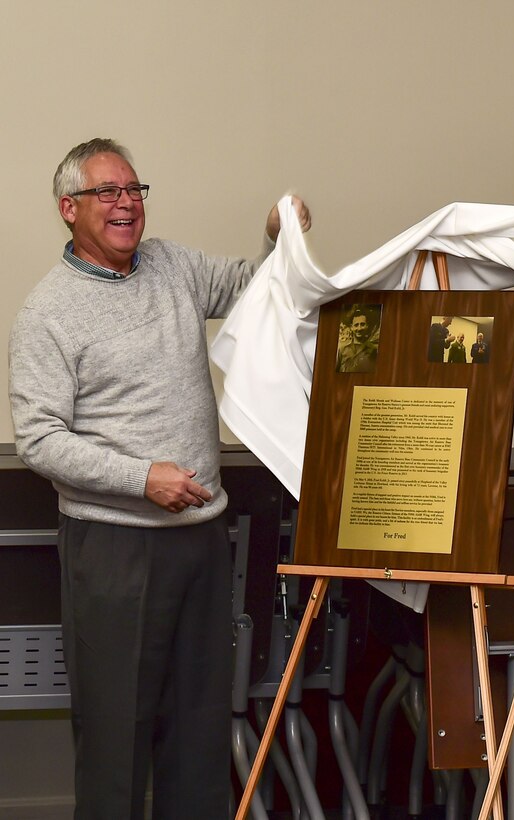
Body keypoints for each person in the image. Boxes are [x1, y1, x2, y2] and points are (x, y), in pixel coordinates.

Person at [8, 137, 310, 819]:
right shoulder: (48, 314)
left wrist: (278, 240)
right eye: (106, 193)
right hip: (115, 550)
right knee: (116, 738)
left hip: (200, 539)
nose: (124, 204)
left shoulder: (173, 265)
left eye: (133, 191)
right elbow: (41, 440)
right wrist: (143, 478)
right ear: (68, 209)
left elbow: (256, 294)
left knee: (200, 731)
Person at [336, 308, 378, 373]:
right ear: (351, 327)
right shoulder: (342, 348)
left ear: (367, 326)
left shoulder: (373, 350)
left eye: (362, 324)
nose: (359, 328)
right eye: (356, 325)